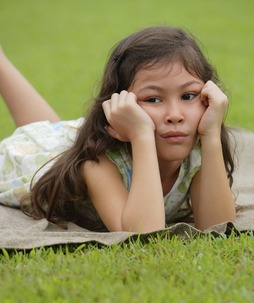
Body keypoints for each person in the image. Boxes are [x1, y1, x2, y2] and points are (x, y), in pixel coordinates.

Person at [0, 26, 236, 233]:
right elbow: (143, 234)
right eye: (153, 99)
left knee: (51, 130)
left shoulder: (196, 147)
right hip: (33, 160)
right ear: (119, 106)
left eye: (188, 95)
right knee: (40, 136)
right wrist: (141, 135)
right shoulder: (97, 160)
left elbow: (219, 226)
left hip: (65, 139)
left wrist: (211, 134)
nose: (175, 115)